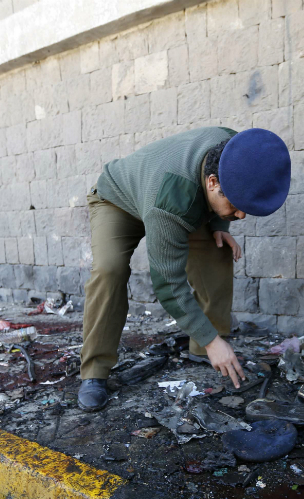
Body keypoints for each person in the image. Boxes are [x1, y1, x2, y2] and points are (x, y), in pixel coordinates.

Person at [77, 127, 291, 412]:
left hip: (174, 198)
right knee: (109, 271)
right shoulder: (170, 203)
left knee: (218, 250)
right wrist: (212, 339)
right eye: (236, 207)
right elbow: (169, 285)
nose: (240, 216)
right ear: (213, 182)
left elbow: (232, 192)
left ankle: (204, 349)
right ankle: (94, 371)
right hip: (117, 201)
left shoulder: (234, 150)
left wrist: (219, 224)